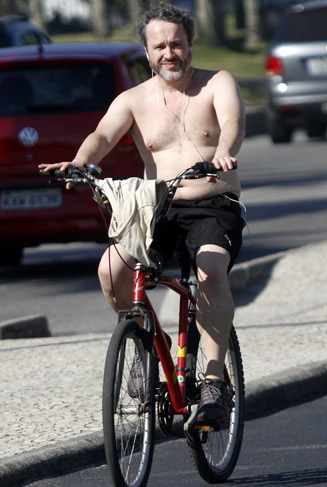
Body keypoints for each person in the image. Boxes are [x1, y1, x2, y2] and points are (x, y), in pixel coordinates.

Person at [39, 2, 246, 427]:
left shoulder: (216, 83)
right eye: (160, 47)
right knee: (110, 272)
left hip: (212, 204)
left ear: (191, 45)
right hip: (157, 206)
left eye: (177, 44)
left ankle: (212, 381)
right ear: (147, 52)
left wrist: (224, 150)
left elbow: (233, 121)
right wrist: (80, 162)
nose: (169, 53)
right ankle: (152, 343)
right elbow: (101, 135)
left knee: (209, 270)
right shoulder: (132, 99)